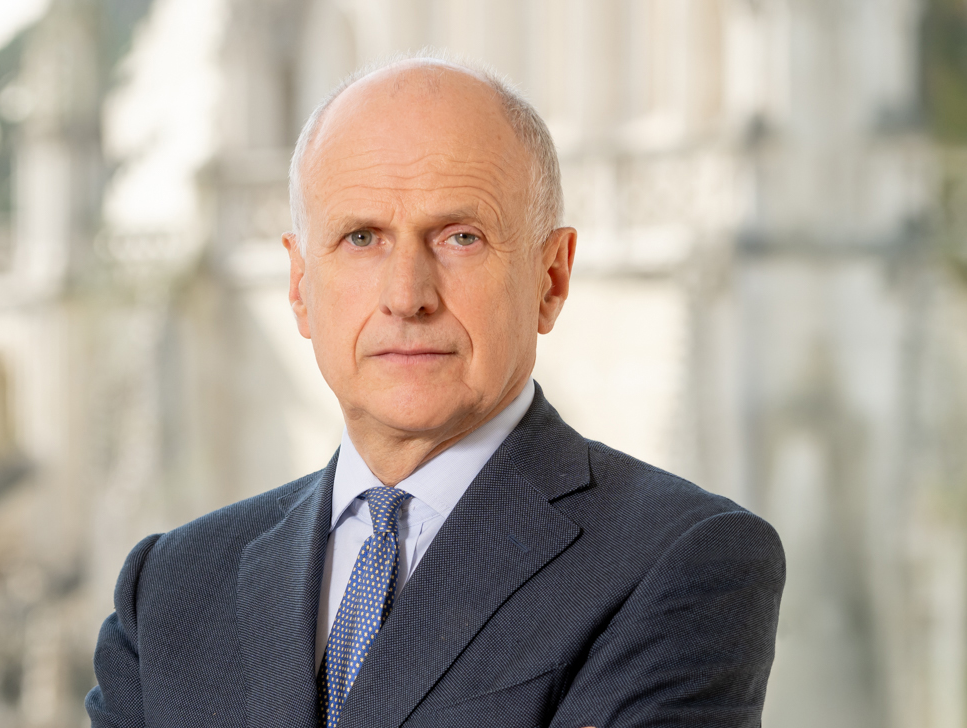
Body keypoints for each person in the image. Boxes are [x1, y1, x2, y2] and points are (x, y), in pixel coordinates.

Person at [86, 55, 785, 728]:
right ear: (300, 286)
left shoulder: (682, 562)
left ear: (550, 278)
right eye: (362, 237)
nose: (407, 295)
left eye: (460, 237)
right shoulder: (169, 590)